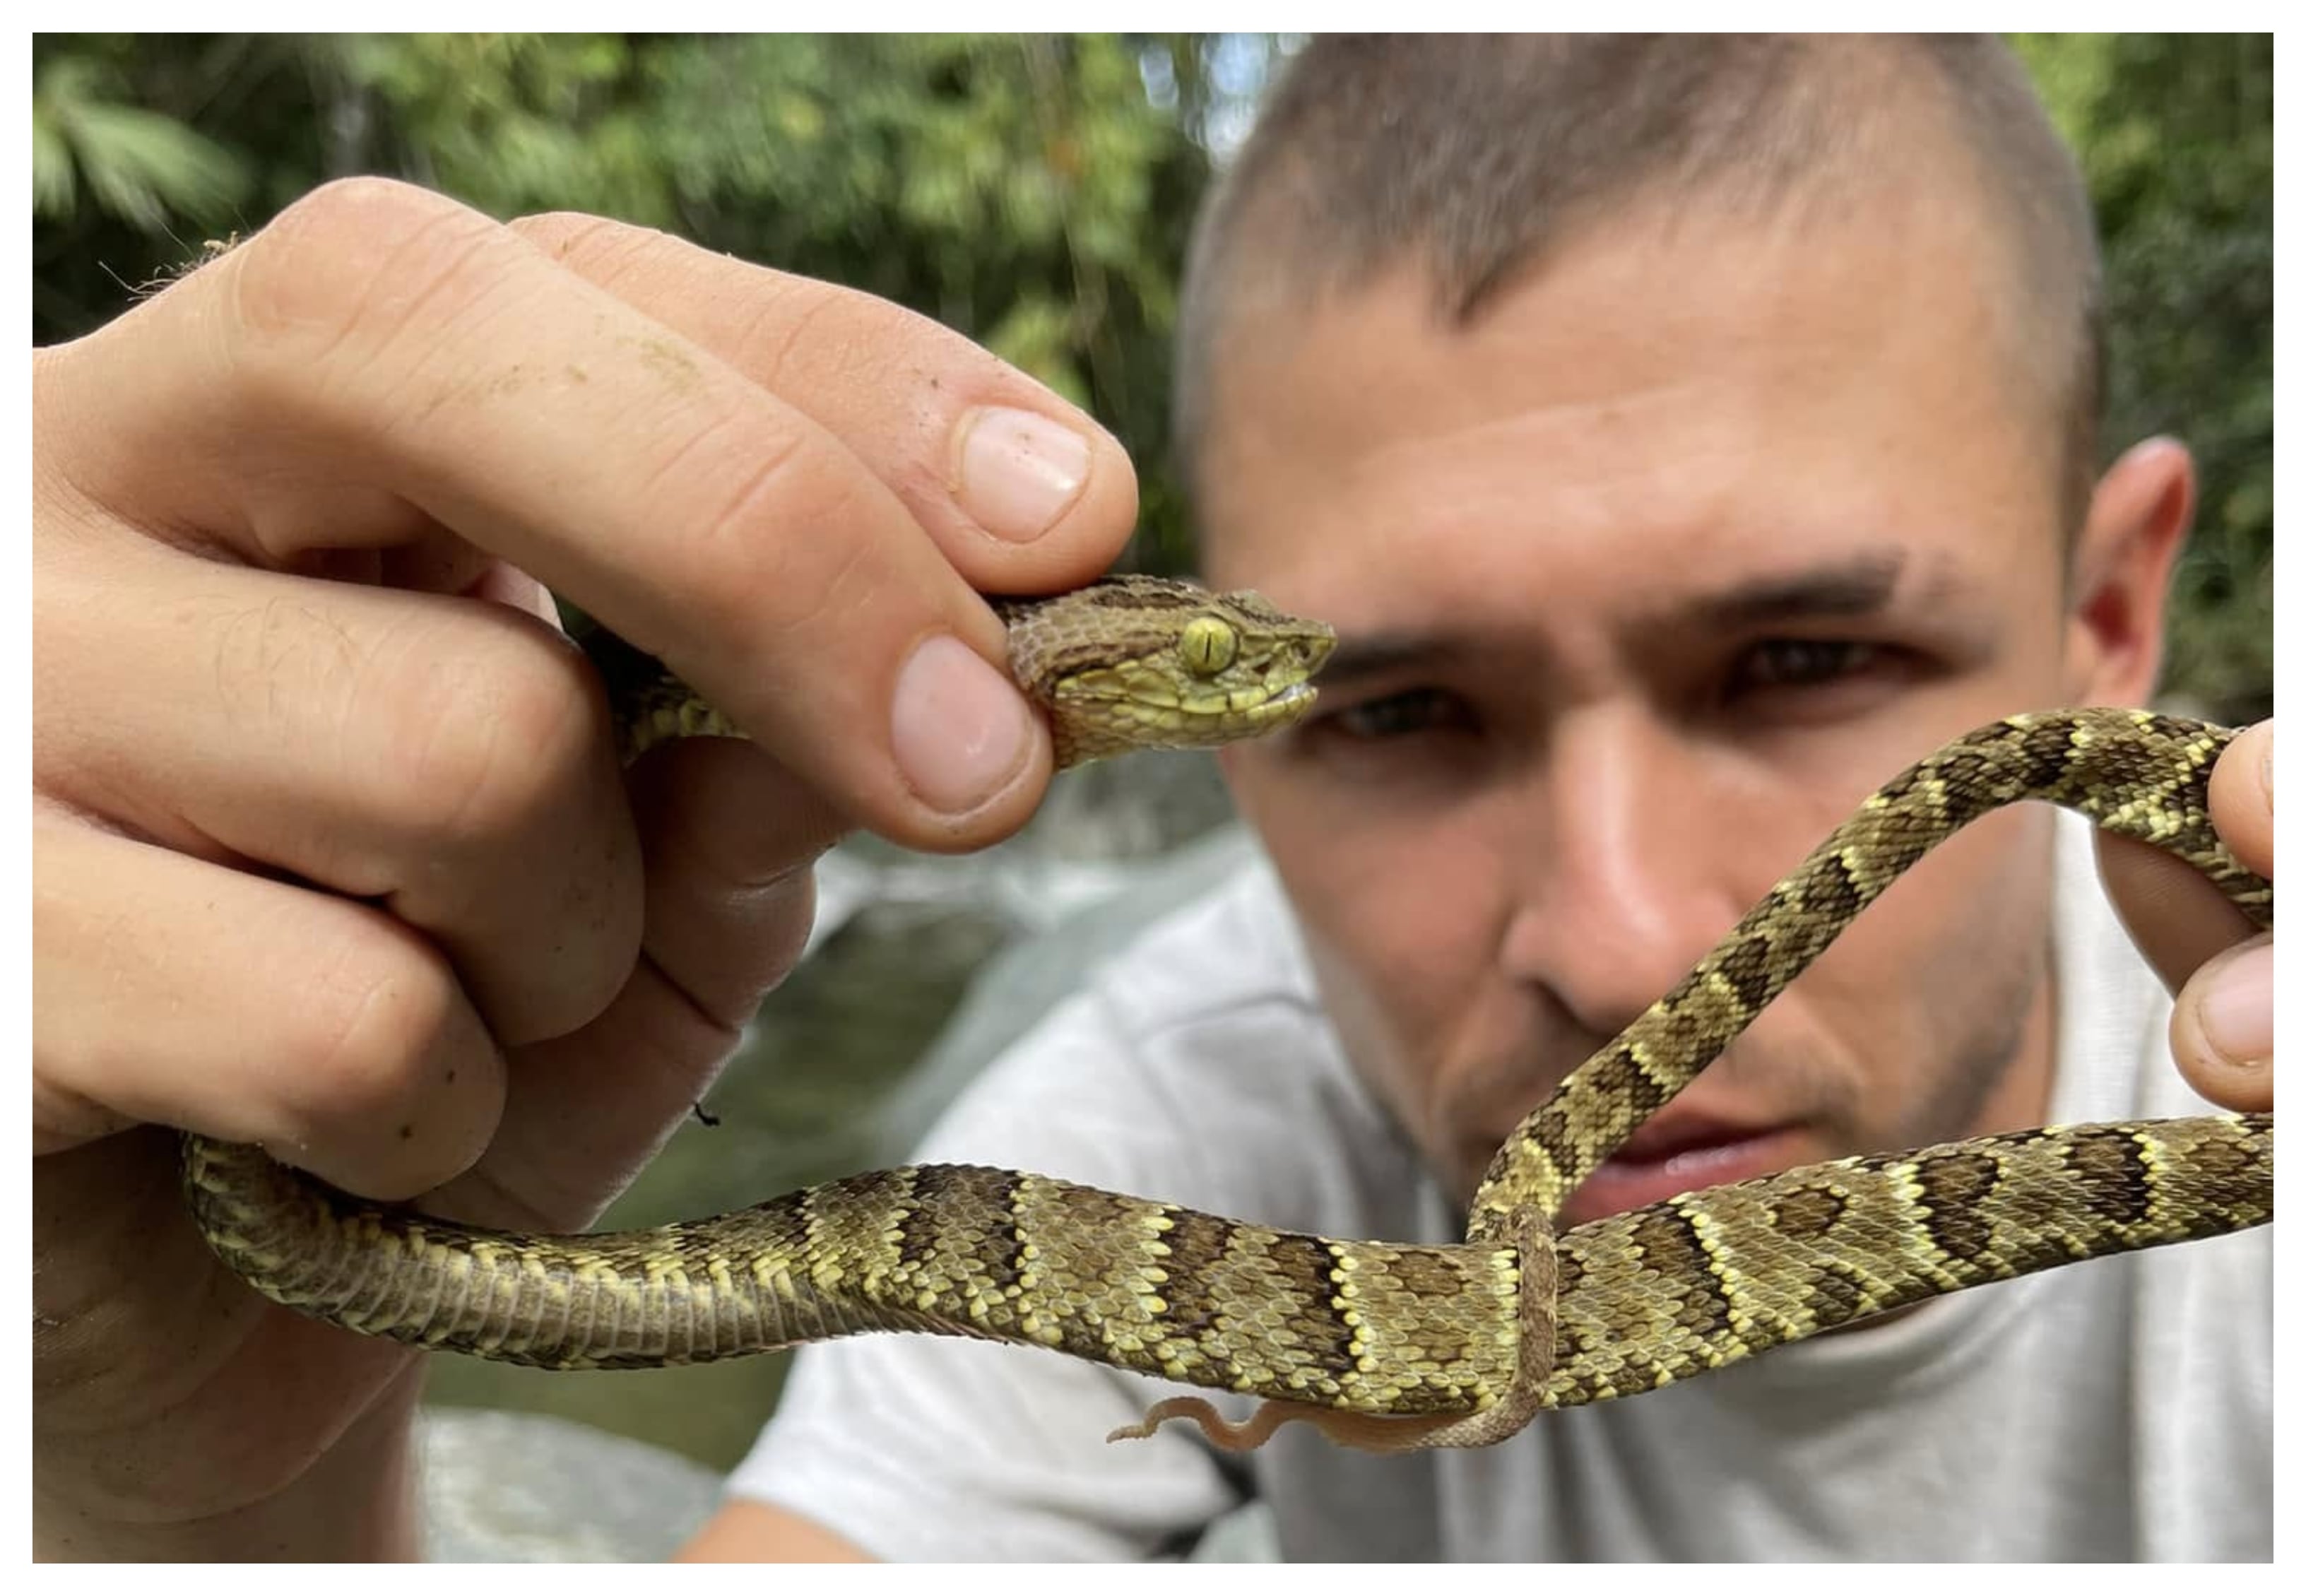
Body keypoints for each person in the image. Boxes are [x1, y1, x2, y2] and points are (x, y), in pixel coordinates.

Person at [29, 35, 2268, 1564]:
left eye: (1802, 663)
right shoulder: (1167, 1114)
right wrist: (182, 1492)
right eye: (1387, 713)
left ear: (2110, 618)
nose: (1618, 938)